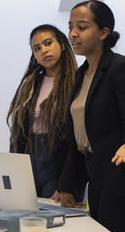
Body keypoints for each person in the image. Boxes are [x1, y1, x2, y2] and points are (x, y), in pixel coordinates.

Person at [59, 0, 125, 232]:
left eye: (82, 27)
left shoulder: (123, 68)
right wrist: (68, 186)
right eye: (71, 26)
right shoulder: (80, 73)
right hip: (98, 176)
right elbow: (78, 137)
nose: (73, 34)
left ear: (104, 32)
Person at [7, 24, 84, 202]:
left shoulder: (77, 81)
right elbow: (17, 131)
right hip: (29, 157)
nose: (44, 51)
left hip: (59, 160)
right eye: (37, 48)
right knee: (24, 217)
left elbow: (78, 141)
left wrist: (67, 185)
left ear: (62, 45)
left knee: (56, 220)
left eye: (48, 43)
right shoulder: (31, 84)